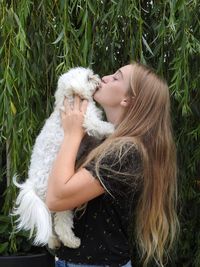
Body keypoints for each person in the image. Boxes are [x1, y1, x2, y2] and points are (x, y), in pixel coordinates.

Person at [46, 62, 179, 267]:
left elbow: (56, 198)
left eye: (116, 77)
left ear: (127, 99)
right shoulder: (106, 141)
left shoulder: (126, 152)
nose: (105, 77)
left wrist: (72, 134)